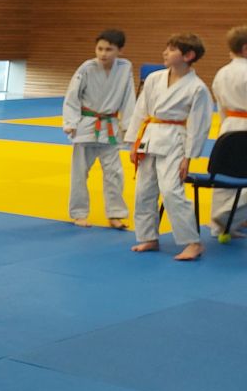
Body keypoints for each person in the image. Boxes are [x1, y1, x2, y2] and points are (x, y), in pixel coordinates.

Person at [127, 33, 213, 261]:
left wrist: (188, 157)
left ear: (188, 55)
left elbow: (199, 125)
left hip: (175, 141)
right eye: (166, 48)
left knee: (171, 191)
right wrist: (134, 142)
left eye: (172, 49)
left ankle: (193, 242)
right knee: (144, 190)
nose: (165, 52)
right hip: (149, 137)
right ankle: (148, 237)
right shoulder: (154, 78)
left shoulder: (197, 88)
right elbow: (141, 110)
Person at [62, 29, 135, 229]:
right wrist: (70, 122)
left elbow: (129, 98)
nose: (103, 54)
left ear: (120, 50)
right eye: (100, 49)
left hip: (110, 127)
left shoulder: (125, 68)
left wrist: (128, 127)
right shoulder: (87, 67)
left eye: (109, 50)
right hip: (86, 126)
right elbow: (72, 95)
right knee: (79, 173)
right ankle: (79, 213)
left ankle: (115, 214)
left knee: (114, 173)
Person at [212, 26, 247, 237]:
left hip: (228, 128)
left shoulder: (222, 72)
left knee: (225, 177)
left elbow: (220, 105)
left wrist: (226, 124)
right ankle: (228, 216)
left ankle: (220, 226)